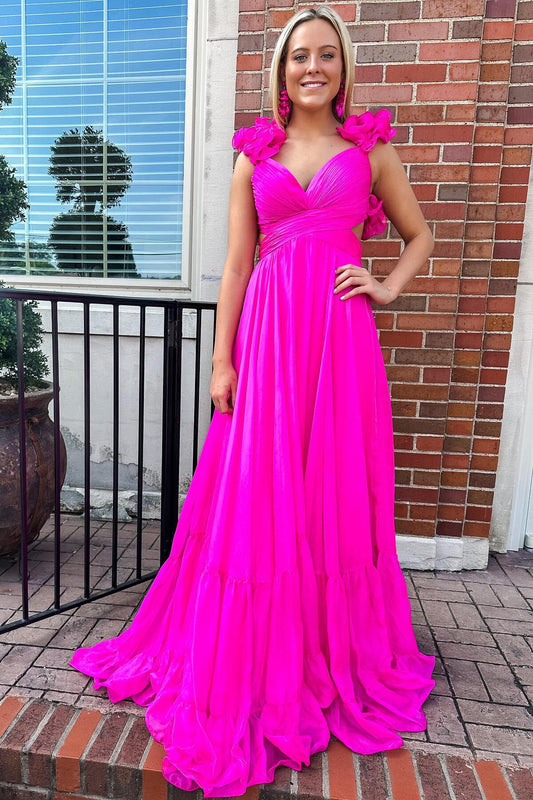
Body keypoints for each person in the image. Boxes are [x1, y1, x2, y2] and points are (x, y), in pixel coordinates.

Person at [70, 5, 436, 797]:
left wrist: (385, 286)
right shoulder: (254, 155)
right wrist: (220, 360)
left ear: (342, 68)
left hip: (337, 343)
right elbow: (237, 264)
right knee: (258, 494)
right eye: (299, 55)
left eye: (326, 55)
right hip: (269, 343)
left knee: (329, 490)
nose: (312, 67)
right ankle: (256, 650)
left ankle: (328, 651)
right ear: (281, 68)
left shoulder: (369, 152)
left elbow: (420, 237)